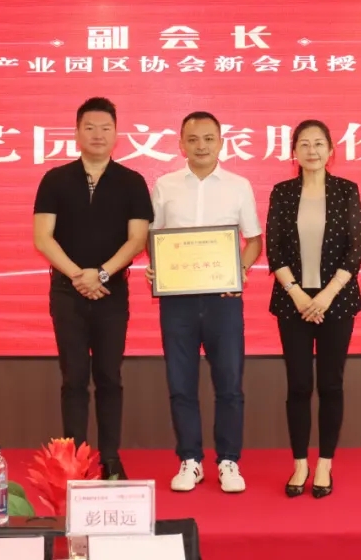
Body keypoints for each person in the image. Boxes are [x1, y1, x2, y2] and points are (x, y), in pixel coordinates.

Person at [33, 97, 154, 480]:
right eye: (90, 127)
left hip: (112, 293)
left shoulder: (132, 182)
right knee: (73, 378)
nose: (98, 135)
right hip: (67, 293)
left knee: (108, 377)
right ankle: (74, 460)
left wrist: (101, 275)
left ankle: (111, 458)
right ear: (76, 133)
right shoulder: (55, 179)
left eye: (105, 128)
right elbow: (43, 237)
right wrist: (78, 276)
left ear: (116, 134)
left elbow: (137, 240)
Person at [147, 111, 263, 493]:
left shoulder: (238, 186)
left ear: (221, 143)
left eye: (209, 138)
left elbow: (254, 241)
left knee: (229, 383)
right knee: (181, 382)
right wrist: (157, 267)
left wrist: (239, 272)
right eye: (193, 139)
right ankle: (190, 460)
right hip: (177, 300)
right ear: (181, 144)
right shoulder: (164, 185)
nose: (201, 146)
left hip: (222, 299)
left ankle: (229, 461)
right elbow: (152, 236)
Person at [265, 119, 361, 499]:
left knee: (330, 384)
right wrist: (297, 294)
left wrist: (325, 296)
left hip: (336, 301)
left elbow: (355, 249)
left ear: (331, 150)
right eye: (304, 144)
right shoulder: (282, 193)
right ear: (294, 152)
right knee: (299, 385)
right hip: (292, 302)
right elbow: (274, 249)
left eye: (319, 143)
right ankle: (299, 463)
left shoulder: (346, 191)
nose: (312, 150)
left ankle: (324, 462)